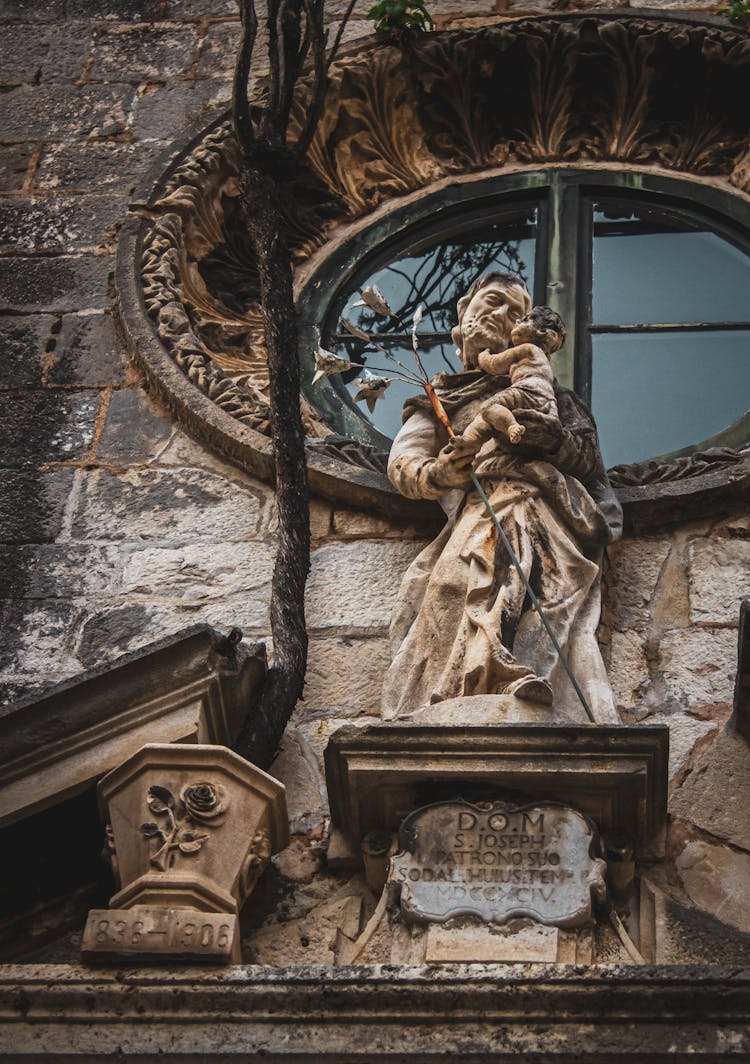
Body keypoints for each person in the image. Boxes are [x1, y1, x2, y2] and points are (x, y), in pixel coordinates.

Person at [381, 271, 621, 723]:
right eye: (492, 302)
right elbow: (404, 463)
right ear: (462, 317)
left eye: (516, 313)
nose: (503, 317)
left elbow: (588, 459)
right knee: (454, 587)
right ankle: (465, 685)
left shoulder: (551, 393)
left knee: (531, 583)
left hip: (541, 506)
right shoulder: (440, 400)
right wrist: (440, 472)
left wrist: (552, 442)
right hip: (478, 508)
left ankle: (513, 671)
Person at [456, 305, 564, 450]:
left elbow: (494, 364)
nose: (518, 320)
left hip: (527, 389)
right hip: (547, 401)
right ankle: (468, 440)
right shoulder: (542, 359)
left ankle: (512, 426)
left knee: (488, 407)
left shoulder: (527, 349)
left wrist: (483, 355)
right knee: (487, 418)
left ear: (542, 332)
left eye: (526, 320)